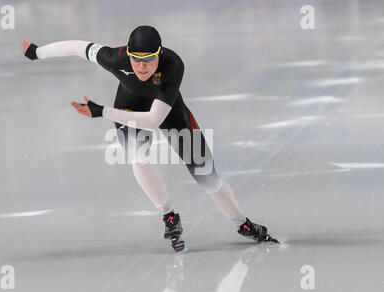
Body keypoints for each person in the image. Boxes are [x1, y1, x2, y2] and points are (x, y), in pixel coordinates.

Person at [23, 25, 278, 251]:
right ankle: (168, 215)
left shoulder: (173, 65)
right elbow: (78, 47)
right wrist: (37, 52)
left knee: (207, 178)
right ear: (128, 55)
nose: (142, 66)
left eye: (149, 60)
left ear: (160, 54)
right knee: (139, 158)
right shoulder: (115, 57)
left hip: (168, 111)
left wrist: (102, 112)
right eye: (136, 60)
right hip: (128, 107)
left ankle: (242, 224)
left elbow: (154, 119)